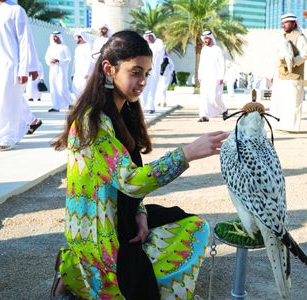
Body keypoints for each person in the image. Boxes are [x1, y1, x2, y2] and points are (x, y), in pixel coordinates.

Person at [50, 30, 228, 300]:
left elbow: (130, 185)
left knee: (193, 228)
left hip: (123, 215)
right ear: (109, 69)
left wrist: (140, 213)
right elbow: (131, 180)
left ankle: (80, 274)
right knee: (134, 289)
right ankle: (75, 271)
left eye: (146, 73)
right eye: (135, 72)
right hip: (100, 232)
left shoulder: (125, 112)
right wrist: (186, 153)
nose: (143, 81)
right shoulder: (92, 122)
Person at [0, 0, 42, 150]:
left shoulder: (16, 10)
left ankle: (8, 137)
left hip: (11, 64)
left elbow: (25, 40)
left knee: (8, 100)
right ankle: (0, 134)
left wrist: (24, 68)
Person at [270, 13, 307, 132]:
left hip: (294, 76)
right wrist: (273, 74)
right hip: (281, 75)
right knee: (281, 101)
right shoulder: (283, 37)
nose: (284, 25)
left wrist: (291, 63)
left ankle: (291, 128)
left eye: (286, 23)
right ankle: (281, 125)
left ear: (294, 23)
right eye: (283, 23)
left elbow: (304, 55)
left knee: (293, 102)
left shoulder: (300, 37)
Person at [197, 30, 227, 122]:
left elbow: (222, 63)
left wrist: (221, 77)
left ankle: (224, 110)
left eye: (207, 38)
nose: (205, 40)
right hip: (205, 77)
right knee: (204, 97)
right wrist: (200, 75)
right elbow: (201, 63)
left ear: (211, 38)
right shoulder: (204, 49)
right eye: (204, 39)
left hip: (215, 77)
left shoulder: (217, 49)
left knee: (215, 97)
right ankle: (204, 115)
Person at [45, 31, 73, 112]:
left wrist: (59, 61)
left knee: (62, 87)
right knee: (54, 88)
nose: (54, 38)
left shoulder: (64, 47)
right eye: (53, 36)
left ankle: (70, 103)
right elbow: (46, 58)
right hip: (53, 70)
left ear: (60, 37)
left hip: (61, 70)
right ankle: (56, 106)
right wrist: (50, 61)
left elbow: (68, 59)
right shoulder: (50, 47)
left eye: (56, 36)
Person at [141, 30, 165, 114]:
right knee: (143, 88)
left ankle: (150, 107)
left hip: (154, 70)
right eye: (147, 36)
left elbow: (161, 52)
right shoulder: (144, 45)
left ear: (153, 36)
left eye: (150, 36)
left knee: (152, 88)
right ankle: (143, 106)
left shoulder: (157, 43)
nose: (149, 38)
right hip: (145, 70)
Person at [71, 31, 94, 99]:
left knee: (85, 89)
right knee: (75, 88)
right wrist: (72, 73)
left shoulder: (88, 46)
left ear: (82, 38)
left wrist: (87, 72)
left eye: (78, 37)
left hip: (85, 73)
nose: (76, 39)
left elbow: (90, 60)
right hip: (77, 73)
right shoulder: (77, 48)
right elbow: (75, 62)